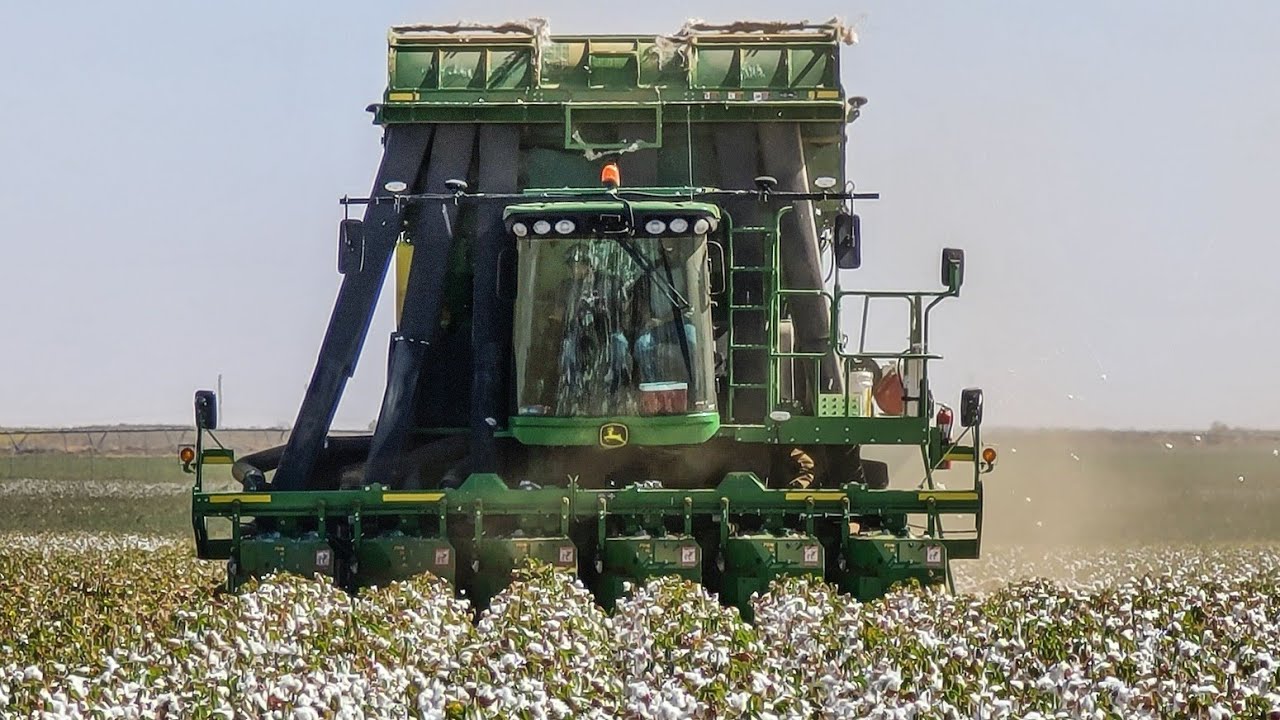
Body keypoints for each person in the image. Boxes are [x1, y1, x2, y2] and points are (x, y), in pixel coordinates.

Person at [546, 243, 632, 414]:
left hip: (609, 334)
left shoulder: (610, 282)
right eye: (573, 266)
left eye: (581, 264)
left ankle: (615, 395)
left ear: (591, 263)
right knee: (568, 349)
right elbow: (557, 317)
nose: (576, 269)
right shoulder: (566, 287)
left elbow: (626, 311)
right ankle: (574, 395)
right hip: (578, 336)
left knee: (620, 346)